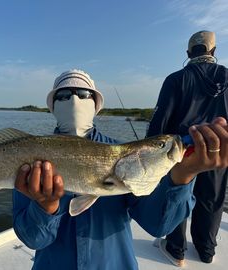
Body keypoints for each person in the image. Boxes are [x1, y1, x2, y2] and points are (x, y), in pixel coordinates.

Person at [12, 69, 228, 269]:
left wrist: (183, 175)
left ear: (96, 105)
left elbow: (159, 226)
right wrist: (45, 207)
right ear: (52, 107)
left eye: (83, 94)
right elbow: (33, 239)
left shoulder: (124, 155)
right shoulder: (32, 155)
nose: (74, 100)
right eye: (63, 95)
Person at [147, 30, 228, 266]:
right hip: (219, 152)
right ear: (213, 51)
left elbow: (159, 121)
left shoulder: (175, 79)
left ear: (188, 53)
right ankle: (206, 250)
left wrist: (150, 151)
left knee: (178, 194)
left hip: (183, 152)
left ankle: (176, 249)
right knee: (212, 199)